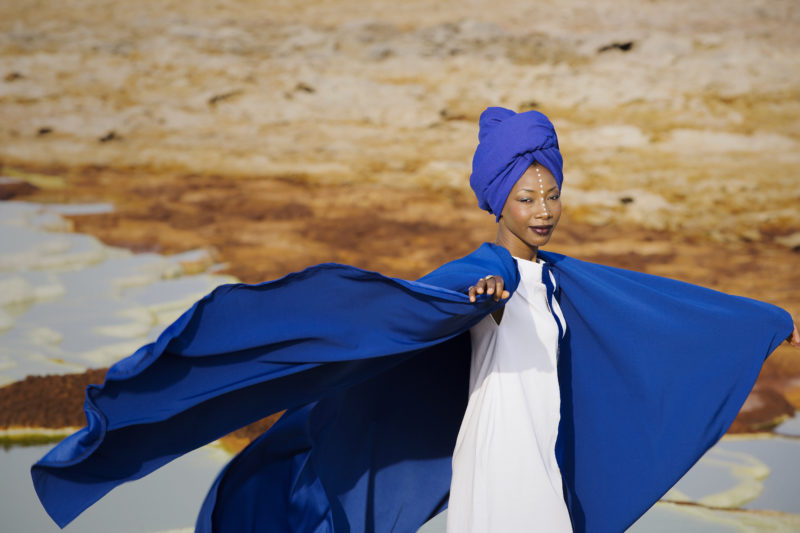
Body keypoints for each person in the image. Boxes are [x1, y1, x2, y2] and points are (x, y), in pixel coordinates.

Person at [32, 108, 799, 533]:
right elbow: (455, 293)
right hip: (500, 459)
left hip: (538, 453)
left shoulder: (564, 281)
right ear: (497, 200)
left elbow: (669, 309)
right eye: (526, 197)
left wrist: (765, 321)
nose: (543, 210)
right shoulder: (488, 272)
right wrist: (477, 299)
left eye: (551, 193)